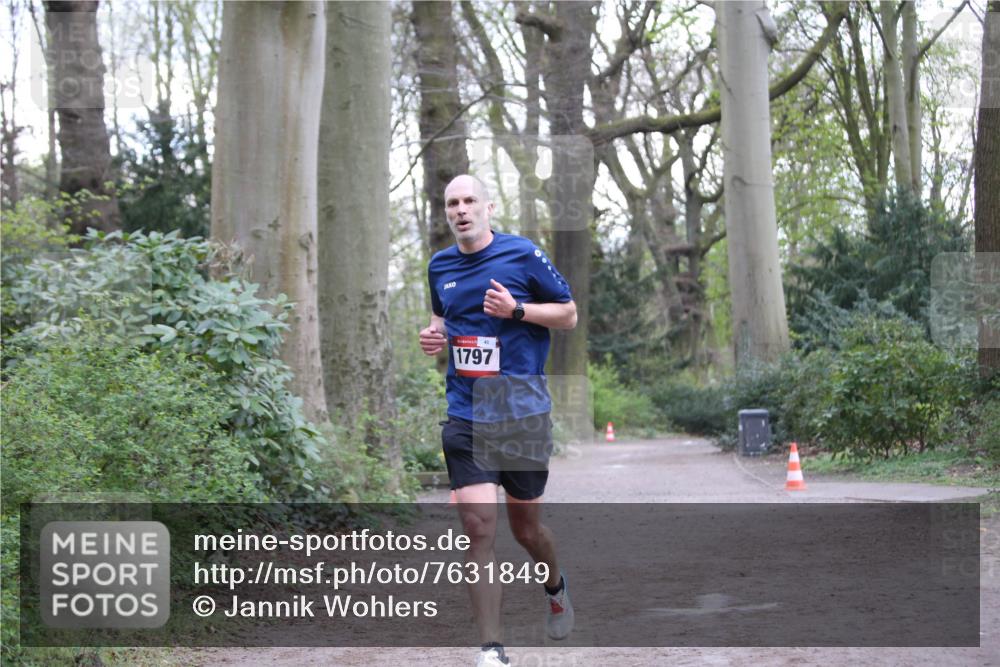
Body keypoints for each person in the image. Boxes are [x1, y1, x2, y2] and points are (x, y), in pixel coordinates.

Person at [419, 175, 578, 667]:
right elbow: (443, 321)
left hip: (522, 411)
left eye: (469, 201)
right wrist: (433, 337)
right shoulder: (439, 266)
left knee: (527, 531)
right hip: (466, 411)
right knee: (477, 526)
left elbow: (569, 314)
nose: (461, 210)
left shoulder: (522, 255)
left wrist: (518, 310)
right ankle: (491, 648)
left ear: (488, 207)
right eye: (452, 203)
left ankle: (555, 585)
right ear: (446, 212)